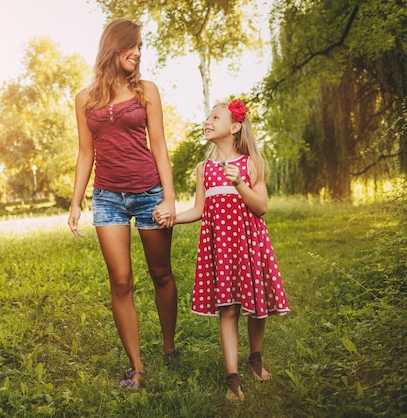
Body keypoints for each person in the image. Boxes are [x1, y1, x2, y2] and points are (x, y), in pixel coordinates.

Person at [67, 18, 179, 390]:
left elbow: (159, 146)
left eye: (140, 47)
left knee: (160, 273)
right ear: (113, 48)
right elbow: (86, 154)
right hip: (108, 198)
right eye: (133, 46)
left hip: (149, 192)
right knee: (120, 281)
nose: (138, 52)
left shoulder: (147, 90)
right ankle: (137, 367)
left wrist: (170, 196)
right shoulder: (85, 99)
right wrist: (76, 203)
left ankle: (168, 346)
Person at [155, 99, 290, 401]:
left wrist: (241, 184)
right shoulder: (205, 169)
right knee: (227, 309)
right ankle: (233, 379)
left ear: (235, 126)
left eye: (215, 117)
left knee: (257, 305)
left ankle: (255, 359)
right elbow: (199, 210)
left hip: (249, 244)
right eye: (207, 117)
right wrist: (173, 216)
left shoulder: (250, 164)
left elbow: (262, 207)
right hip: (222, 249)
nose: (207, 121)